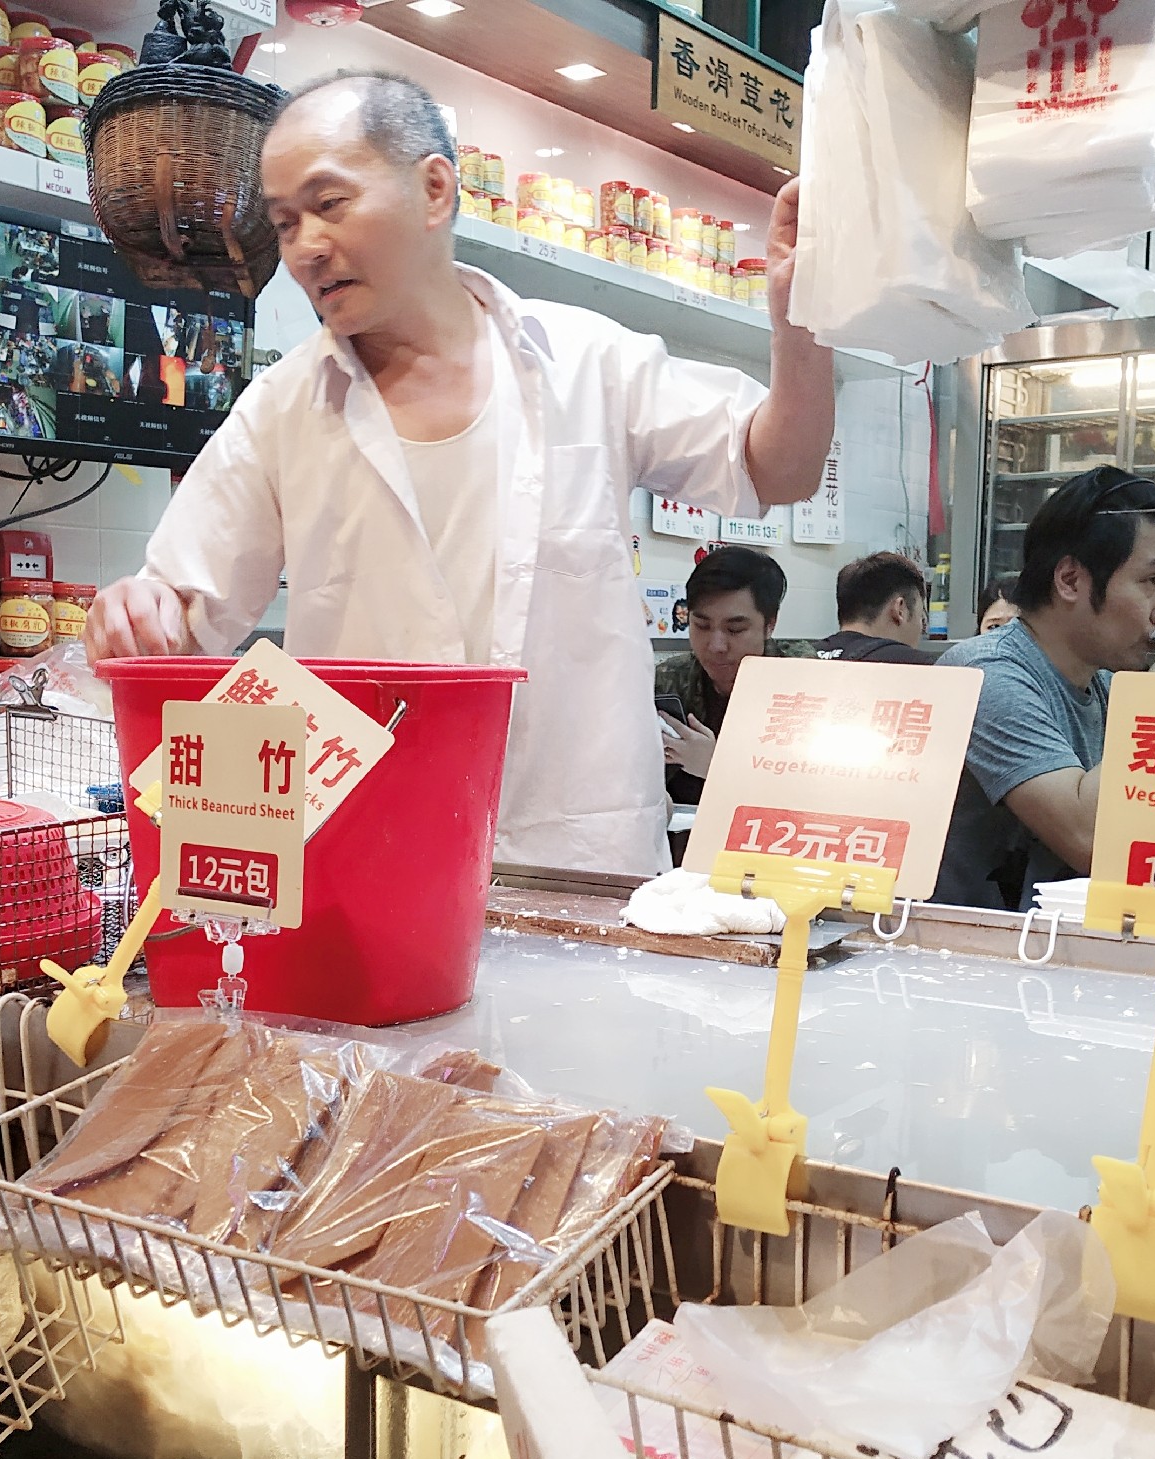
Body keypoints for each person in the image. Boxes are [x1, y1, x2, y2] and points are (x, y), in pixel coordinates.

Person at [84, 70, 835, 873]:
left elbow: (775, 469)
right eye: (284, 221)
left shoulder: (587, 361)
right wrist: (133, 613)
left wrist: (802, 318)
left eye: (330, 204)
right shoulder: (282, 409)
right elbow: (177, 620)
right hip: (373, 861)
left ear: (435, 188)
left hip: (576, 857)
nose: (304, 247)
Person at [931, 467, 1155, 910]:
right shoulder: (986, 673)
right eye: (1151, 582)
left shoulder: (1107, 685)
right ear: (1071, 580)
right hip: (970, 959)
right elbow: (1090, 839)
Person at [655, 546, 814, 804]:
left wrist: (718, 768)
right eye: (701, 625)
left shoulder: (802, 679)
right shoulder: (668, 680)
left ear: (769, 625)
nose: (716, 645)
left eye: (735, 629)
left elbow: (816, 792)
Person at [814, 552, 931, 664]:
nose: (921, 628)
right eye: (921, 617)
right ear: (900, 610)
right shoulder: (916, 665)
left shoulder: (803, 658)